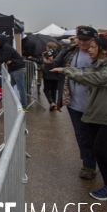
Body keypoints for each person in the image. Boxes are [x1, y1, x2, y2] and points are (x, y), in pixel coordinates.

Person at [52, 38, 107, 200]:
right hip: (96, 115)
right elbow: (91, 76)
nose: (89, 50)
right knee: (100, 152)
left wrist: (67, 71)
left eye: (92, 47)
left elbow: (97, 79)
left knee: (101, 150)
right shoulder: (99, 63)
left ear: (104, 50)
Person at [43, 26, 99, 179]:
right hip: (75, 103)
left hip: (97, 104)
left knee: (103, 138)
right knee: (82, 136)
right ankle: (88, 166)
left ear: (94, 39)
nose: (82, 42)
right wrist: (48, 63)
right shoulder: (69, 52)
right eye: (80, 39)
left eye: (86, 40)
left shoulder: (101, 54)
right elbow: (54, 68)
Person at [0, 35, 27, 110]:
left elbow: (4, 57)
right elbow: (3, 57)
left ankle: (24, 106)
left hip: (18, 69)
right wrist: (6, 60)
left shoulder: (6, 47)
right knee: (10, 87)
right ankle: (12, 103)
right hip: (14, 69)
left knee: (20, 87)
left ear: (1, 40)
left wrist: (0, 60)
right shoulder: (3, 47)